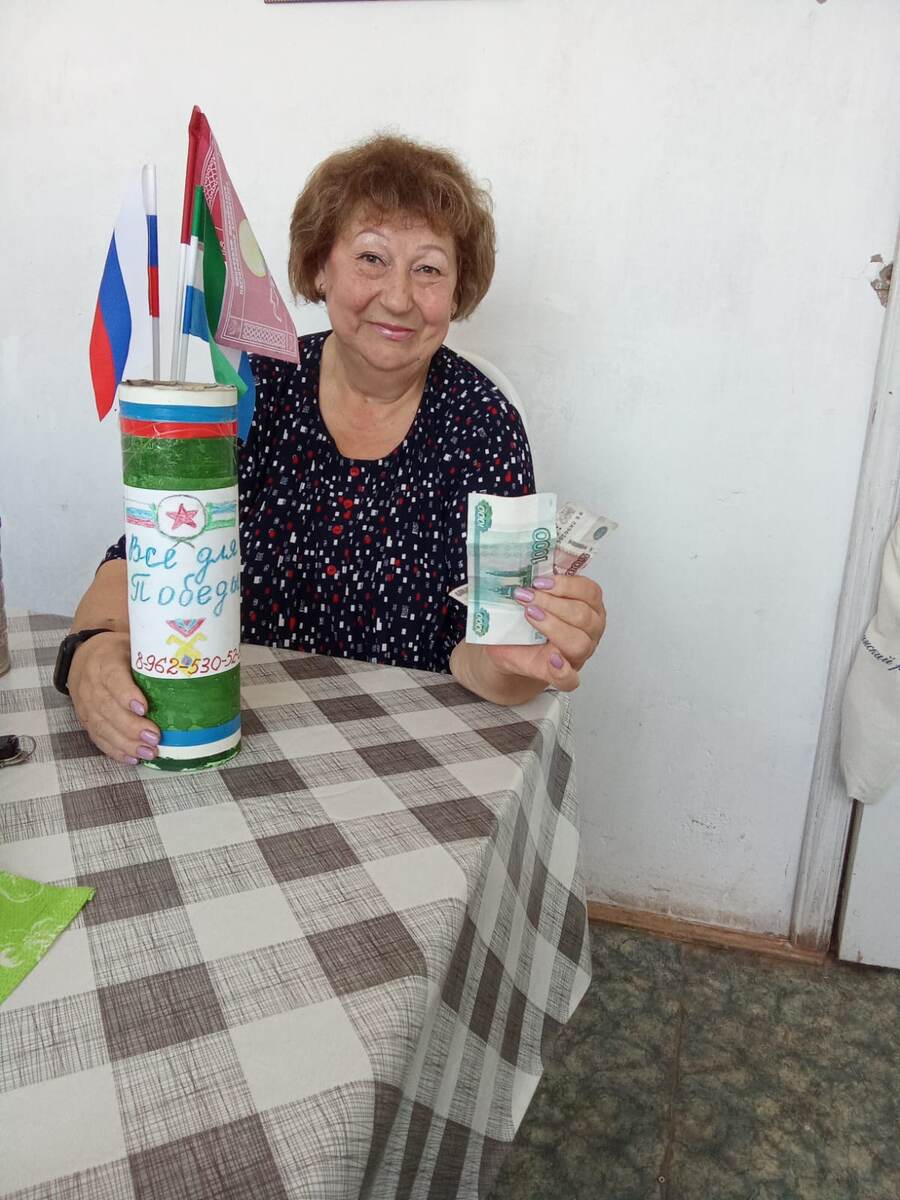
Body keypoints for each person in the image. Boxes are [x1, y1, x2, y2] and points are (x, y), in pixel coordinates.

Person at [64, 134, 606, 765]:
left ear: (457, 291)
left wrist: (520, 659)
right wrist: (90, 653)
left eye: (429, 269)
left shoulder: (484, 425)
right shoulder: (249, 390)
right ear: (320, 267)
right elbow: (143, 554)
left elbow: (487, 658)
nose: (399, 297)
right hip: (236, 733)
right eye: (372, 258)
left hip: (408, 753)